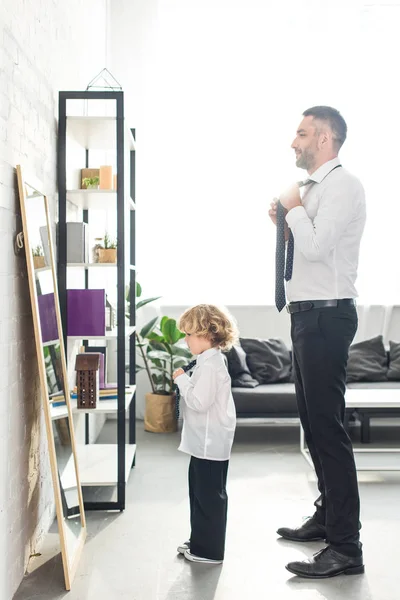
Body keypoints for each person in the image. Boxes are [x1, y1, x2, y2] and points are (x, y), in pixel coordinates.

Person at [269, 106, 366, 578]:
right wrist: (285, 219)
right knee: (313, 424)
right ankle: (328, 518)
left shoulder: (343, 185)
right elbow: (307, 251)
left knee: (328, 430)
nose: (294, 142)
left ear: (326, 139)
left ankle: (347, 547)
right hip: (307, 316)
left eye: (302, 133)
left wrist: (291, 211)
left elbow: (315, 248)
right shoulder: (317, 190)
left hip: (327, 318)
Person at [172, 304, 238, 565]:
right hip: (203, 442)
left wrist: (181, 379)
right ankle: (200, 540)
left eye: (189, 334)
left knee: (209, 496)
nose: (185, 340)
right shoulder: (207, 361)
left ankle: (209, 550)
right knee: (199, 493)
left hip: (210, 443)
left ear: (207, 334)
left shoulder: (211, 366)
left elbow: (199, 402)